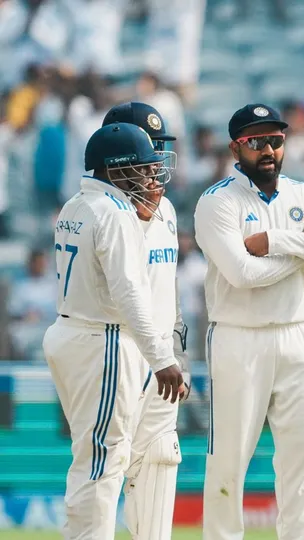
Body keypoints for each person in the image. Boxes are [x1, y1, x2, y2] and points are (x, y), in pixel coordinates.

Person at [194, 103, 304, 540]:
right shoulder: (217, 202)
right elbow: (242, 274)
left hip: (299, 333)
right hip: (238, 337)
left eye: (275, 140)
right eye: (255, 141)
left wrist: (275, 242)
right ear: (235, 148)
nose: (267, 149)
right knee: (228, 459)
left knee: (303, 458)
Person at [43, 122, 183, 539]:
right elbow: (128, 292)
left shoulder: (75, 205)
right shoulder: (115, 212)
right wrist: (162, 359)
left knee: (93, 456)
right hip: (102, 340)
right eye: (142, 167)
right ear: (116, 169)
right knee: (103, 462)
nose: (151, 175)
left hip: (71, 333)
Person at [101, 102, 191, 540]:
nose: (155, 160)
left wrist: (173, 351)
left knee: (160, 456)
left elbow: (166, 289)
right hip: (117, 352)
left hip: (161, 362)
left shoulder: (167, 210)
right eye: (148, 146)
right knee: (107, 463)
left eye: (159, 147)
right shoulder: (104, 213)